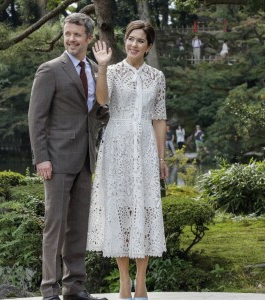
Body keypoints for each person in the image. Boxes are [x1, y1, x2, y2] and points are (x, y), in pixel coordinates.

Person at [28, 13, 108, 300]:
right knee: (55, 225)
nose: (71, 39)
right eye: (67, 33)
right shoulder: (49, 70)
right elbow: (36, 118)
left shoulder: (94, 69)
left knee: (78, 227)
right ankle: (49, 290)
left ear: (89, 38)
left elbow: (98, 112)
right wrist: (42, 158)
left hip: (86, 157)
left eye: (77, 34)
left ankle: (74, 287)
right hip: (57, 160)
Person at [86, 20, 168, 300]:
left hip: (145, 147)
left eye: (140, 41)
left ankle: (141, 283)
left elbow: (159, 118)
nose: (134, 44)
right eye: (130, 39)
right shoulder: (112, 71)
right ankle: (123, 283)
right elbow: (101, 100)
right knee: (119, 210)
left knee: (143, 210)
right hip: (117, 145)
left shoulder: (157, 77)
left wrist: (161, 157)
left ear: (149, 47)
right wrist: (103, 66)